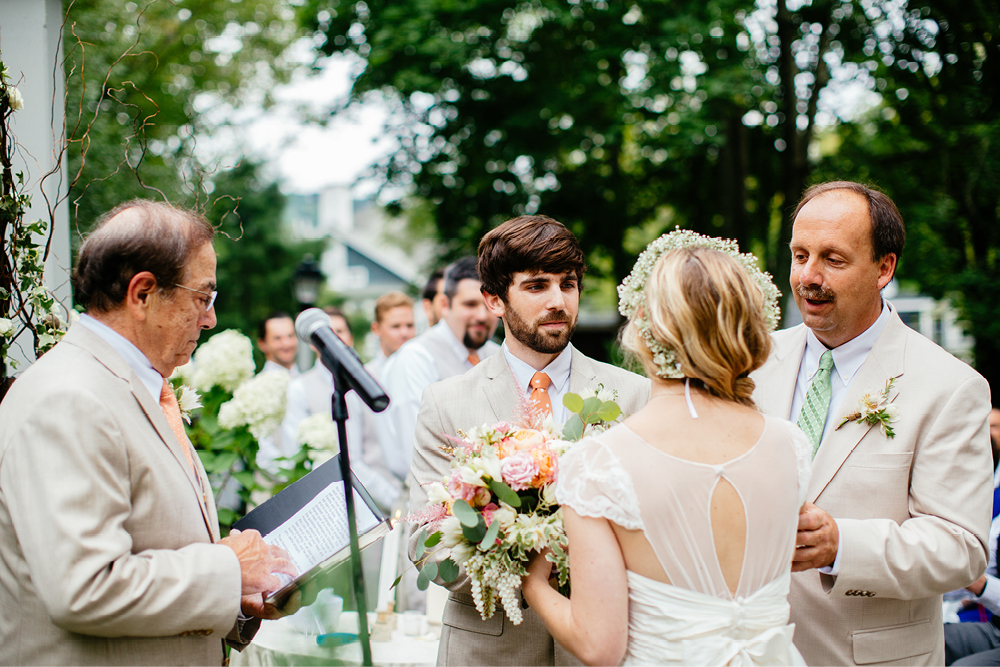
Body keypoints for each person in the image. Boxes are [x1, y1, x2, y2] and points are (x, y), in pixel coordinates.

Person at [0, 200, 296, 666]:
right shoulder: (70, 398)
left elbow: (158, 546)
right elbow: (85, 587)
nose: (211, 318)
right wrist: (228, 570)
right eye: (203, 297)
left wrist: (239, 598)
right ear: (142, 294)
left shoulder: (130, 384)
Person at [752, 181, 993, 666]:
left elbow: (960, 548)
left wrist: (842, 544)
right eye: (800, 256)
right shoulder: (752, 361)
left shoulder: (950, 386)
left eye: (833, 259)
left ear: (884, 268)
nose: (808, 276)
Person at [407, 215, 651, 666]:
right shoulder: (445, 403)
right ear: (494, 300)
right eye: (537, 286)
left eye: (568, 284)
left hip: (600, 649)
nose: (558, 301)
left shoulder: (633, 394)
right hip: (488, 649)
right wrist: (522, 553)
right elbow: (425, 544)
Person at [380, 257, 501, 484]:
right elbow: (416, 451)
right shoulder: (416, 359)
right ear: (445, 305)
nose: (482, 316)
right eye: (470, 304)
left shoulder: (499, 355)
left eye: (488, 304)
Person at [281, 307, 401, 512]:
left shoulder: (371, 381)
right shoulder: (299, 387)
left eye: (339, 332)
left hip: (384, 501)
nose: (333, 339)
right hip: (331, 504)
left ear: (350, 337)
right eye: (325, 334)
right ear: (312, 343)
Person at [367, 291, 416, 377]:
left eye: (410, 325)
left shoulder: (427, 369)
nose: (405, 333)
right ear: (376, 329)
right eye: (395, 326)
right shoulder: (368, 376)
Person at [256, 311, 299, 376]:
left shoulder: (309, 378)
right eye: (277, 338)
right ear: (262, 344)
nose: (287, 343)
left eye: (290, 336)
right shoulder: (258, 384)